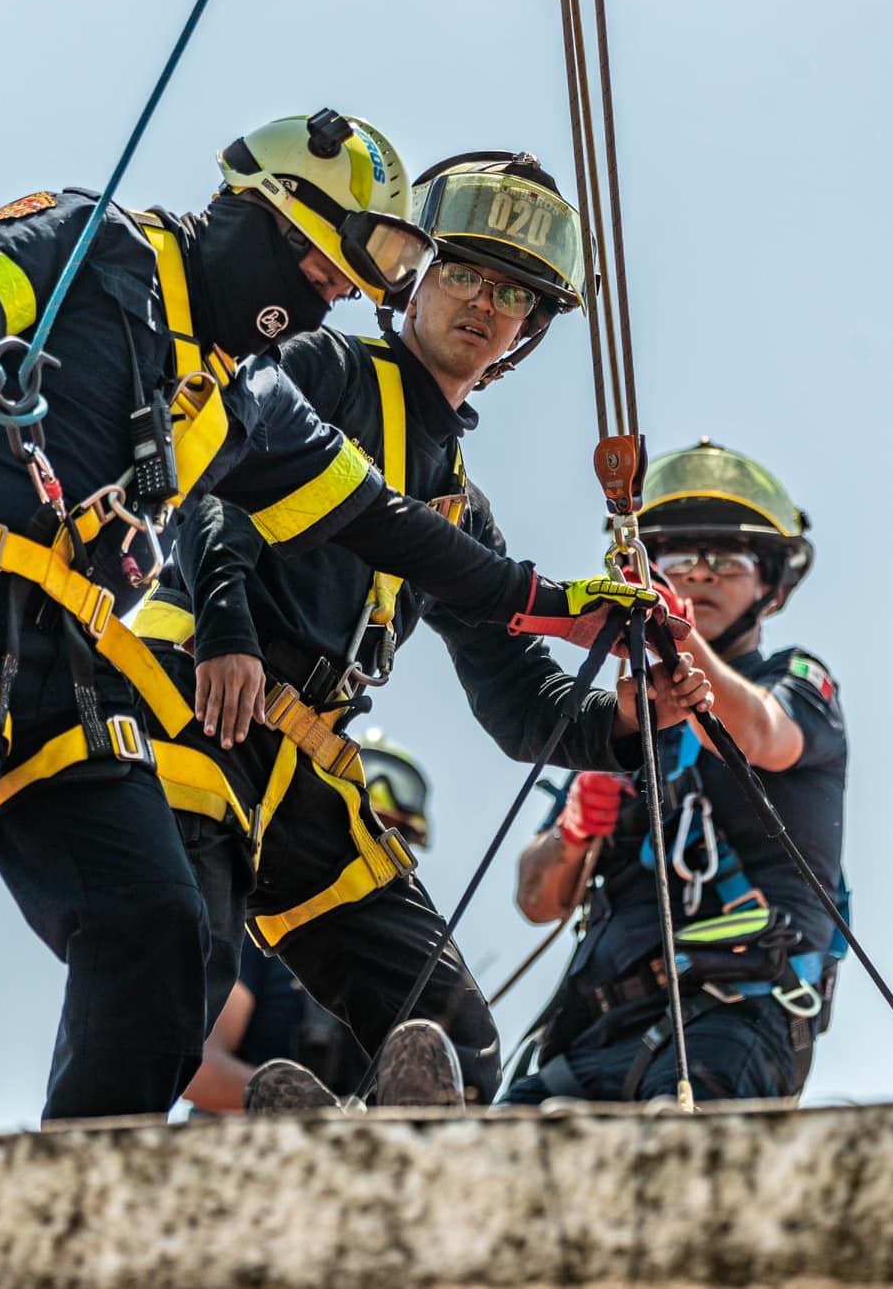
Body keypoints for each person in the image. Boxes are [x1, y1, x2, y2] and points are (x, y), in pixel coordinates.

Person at [0, 112, 663, 1137]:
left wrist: (574, 624)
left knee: (167, 934)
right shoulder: (116, 250)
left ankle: (133, 1184)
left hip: (92, 659)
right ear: (254, 212)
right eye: (313, 264)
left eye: (513, 296)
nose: (321, 294)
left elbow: (390, 531)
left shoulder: (252, 400)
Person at [133, 152, 711, 1110]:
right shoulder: (325, 368)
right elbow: (217, 479)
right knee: (173, 985)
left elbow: (522, 704)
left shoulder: (457, 508)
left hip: (298, 769)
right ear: (413, 277)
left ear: (526, 332)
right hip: (196, 707)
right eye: (462, 274)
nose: (483, 303)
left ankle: (344, 1181)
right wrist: (223, 627)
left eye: (513, 294)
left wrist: (626, 714)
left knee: (455, 1039)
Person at [501, 442, 848, 1106]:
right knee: (492, 1154)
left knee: (676, 1156)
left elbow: (761, 736)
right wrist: (573, 830)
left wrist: (675, 638)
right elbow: (536, 899)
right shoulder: (623, 719)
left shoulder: (796, 684)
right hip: (600, 1031)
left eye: (728, 560)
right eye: (682, 560)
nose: (703, 575)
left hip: (736, 1014)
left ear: (769, 584)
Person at [182, 732, 430, 1112]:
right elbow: (199, 1070)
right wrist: (317, 1115)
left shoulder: (412, 972)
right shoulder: (258, 936)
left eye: (387, 837)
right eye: (365, 832)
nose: (369, 858)